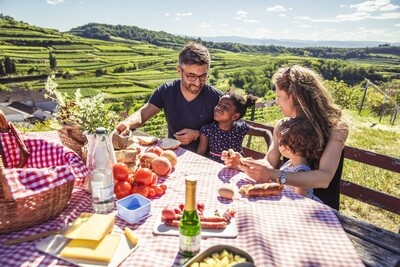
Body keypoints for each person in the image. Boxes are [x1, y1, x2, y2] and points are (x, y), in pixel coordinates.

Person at [221, 65, 349, 208]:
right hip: (288, 204)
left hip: (321, 210)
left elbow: (324, 178)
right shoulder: (283, 125)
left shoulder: (336, 127)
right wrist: (241, 164)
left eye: (279, 96)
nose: (276, 102)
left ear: (295, 97)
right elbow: (269, 162)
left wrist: (274, 174)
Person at [116, 42, 222, 152]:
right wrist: (128, 123)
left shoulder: (216, 98)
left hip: (205, 159)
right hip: (172, 154)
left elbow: (228, 132)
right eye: (191, 76)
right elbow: (142, 114)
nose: (197, 83)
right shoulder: (167, 91)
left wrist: (197, 134)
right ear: (179, 71)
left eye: (203, 77)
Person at [197, 91, 272, 163]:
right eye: (219, 104)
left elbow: (266, 132)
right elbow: (200, 155)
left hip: (237, 167)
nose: (218, 108)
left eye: (225, 107)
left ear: (235, 116)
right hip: (215, 168)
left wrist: (270, 154)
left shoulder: (241, 128)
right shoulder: (207, 130)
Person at [275, 116, 323, 203]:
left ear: (287, 148)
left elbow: (300, 201)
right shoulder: (291, 163)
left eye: (279, 143)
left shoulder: (300, 171)